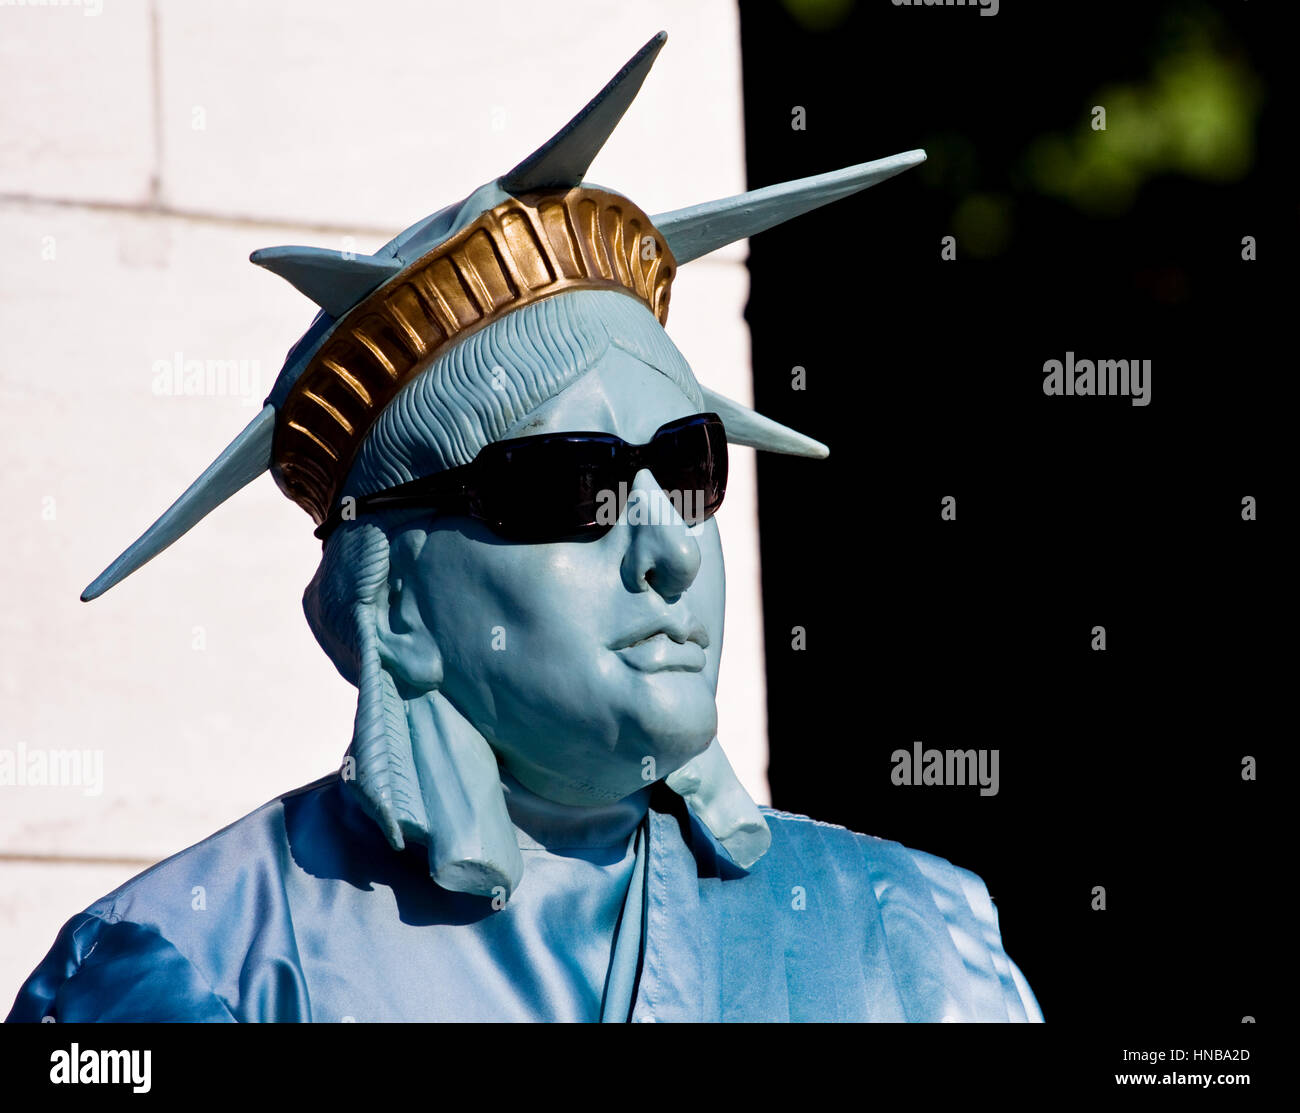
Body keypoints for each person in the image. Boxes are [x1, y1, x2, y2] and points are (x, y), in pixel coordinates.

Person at [7, 33, 1041, 1023]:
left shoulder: (922, 954)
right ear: (393, 603)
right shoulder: (193, 973)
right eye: (567, 484)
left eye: (687, 469)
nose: (670, 551)